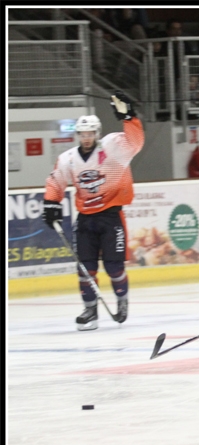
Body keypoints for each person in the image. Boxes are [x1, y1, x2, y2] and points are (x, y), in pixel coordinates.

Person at [42, 91, 144, 330]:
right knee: (85, 268)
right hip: (86, 220)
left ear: (97, 134)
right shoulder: (68, 159)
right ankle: (90, 311)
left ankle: (122, 301)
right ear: (77, 135)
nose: (86, 138)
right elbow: (56, 181)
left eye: (90, 134)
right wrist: (51, 203)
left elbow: (135, 142)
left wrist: (129, 117)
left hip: (111, 217)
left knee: (114, 266)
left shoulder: (113, 148)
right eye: (82, 134)